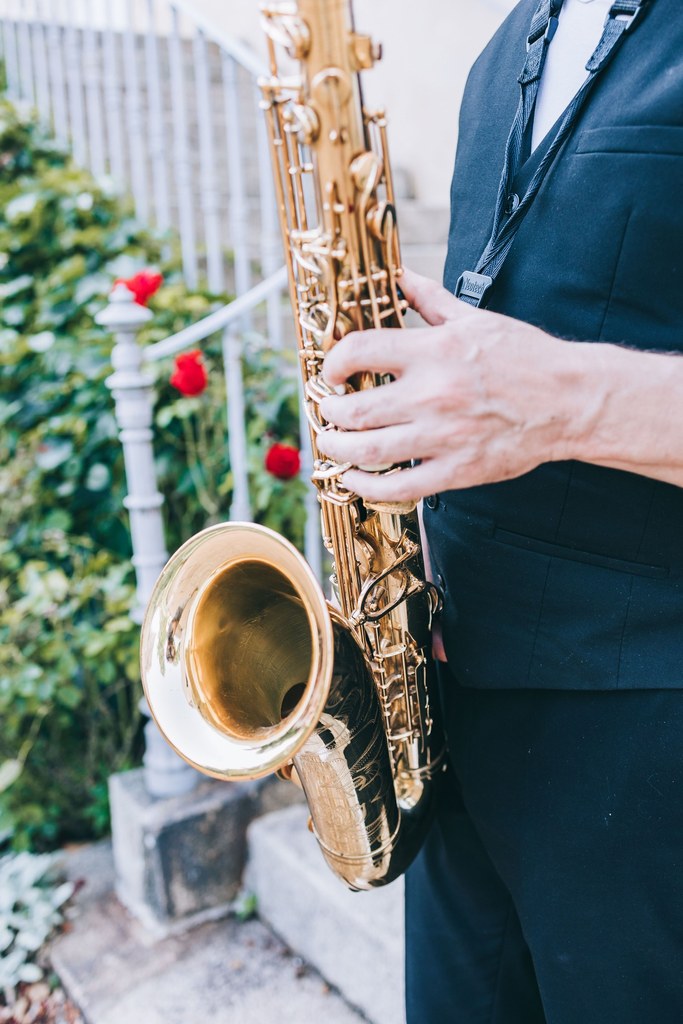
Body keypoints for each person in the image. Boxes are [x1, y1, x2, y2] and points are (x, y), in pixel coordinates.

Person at [316, 0, 683, 1020]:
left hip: (645, 751)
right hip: (461, 721)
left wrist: (560, 399)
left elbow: (538, 385)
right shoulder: (505, 50)